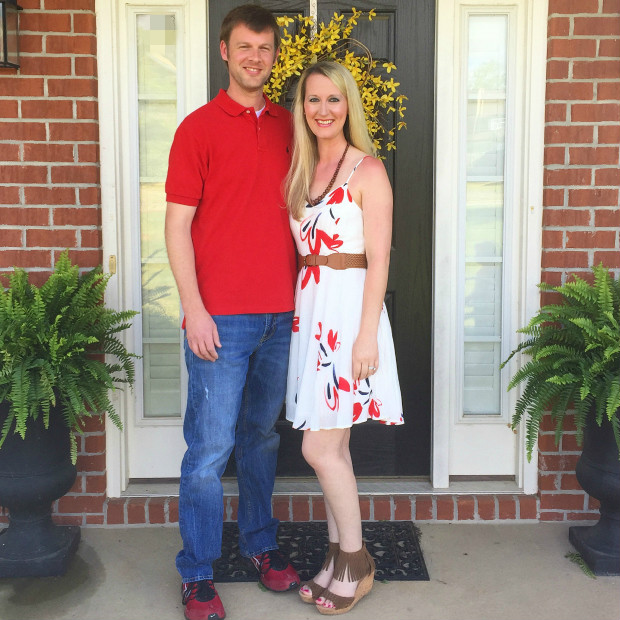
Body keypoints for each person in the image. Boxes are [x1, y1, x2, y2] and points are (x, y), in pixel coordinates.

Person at [164, 5, 300, 620]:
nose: (255, 58)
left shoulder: (291, 126)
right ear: (225, 51)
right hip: (219, 320)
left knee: (261, 439)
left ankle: (259, 545)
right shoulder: (197, 129)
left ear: (275, 57)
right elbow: (177, 226)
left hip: (281, 315)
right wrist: (193, 309)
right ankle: (197, 573)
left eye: (265, 49)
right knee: (209, 450)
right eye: (245, 47)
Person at [285, 61, 404, 615]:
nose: (323, 110)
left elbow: (379, 260)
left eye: (333, 99)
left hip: (350, 318)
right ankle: (337, 557)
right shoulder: (303, 169)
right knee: (333, 447)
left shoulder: (367, 170)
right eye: (313, 99)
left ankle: (356, 562)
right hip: (311, 315)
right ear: (303, 107)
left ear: (348, 105)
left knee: (319, 448)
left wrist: (366, 336)